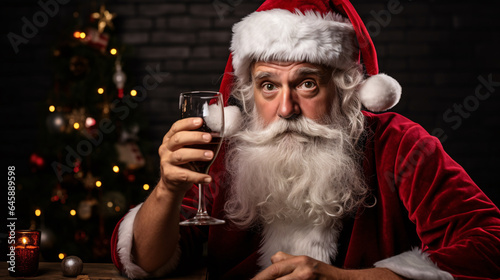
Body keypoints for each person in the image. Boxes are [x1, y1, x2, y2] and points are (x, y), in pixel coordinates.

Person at [111, 0, 500, 279]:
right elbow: (145, 262)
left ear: (347, 89)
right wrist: (167, 190)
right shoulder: (228, 151)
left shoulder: (401, 145)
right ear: (250, 94)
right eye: (268, 85)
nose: (285, 109)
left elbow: (490, 242)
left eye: (307, 83)